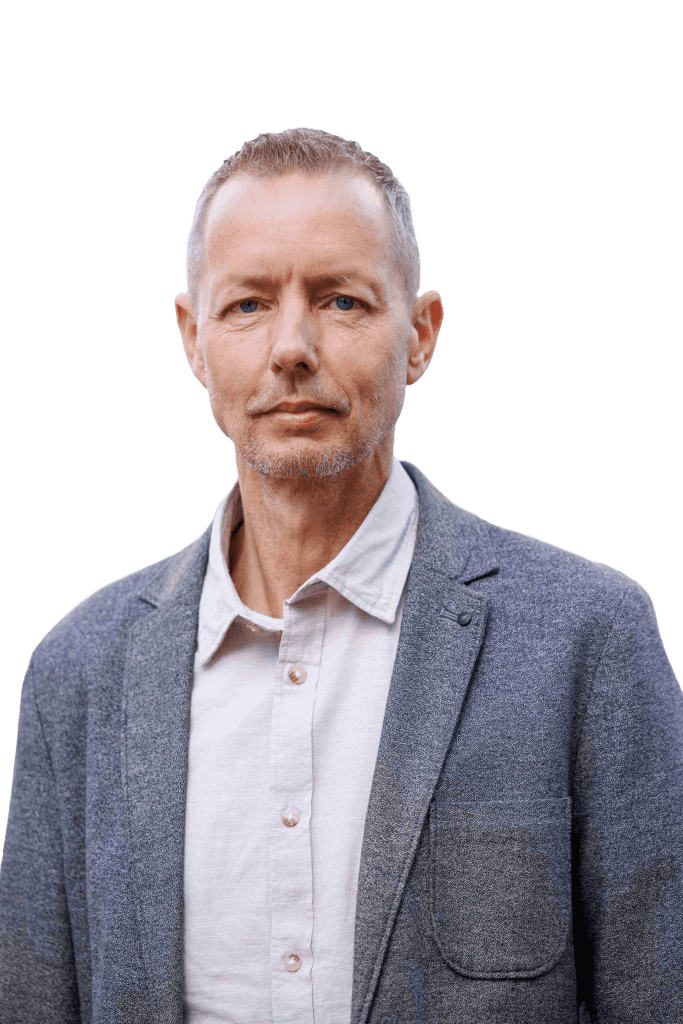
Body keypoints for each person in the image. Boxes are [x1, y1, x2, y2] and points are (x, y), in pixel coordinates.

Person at [0, 127, 681, 1024]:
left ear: (420, 335)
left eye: (342, 301)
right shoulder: (78, 673)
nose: (291, 346)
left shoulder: (587, 640)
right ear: (193, 339)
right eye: (247, 304)